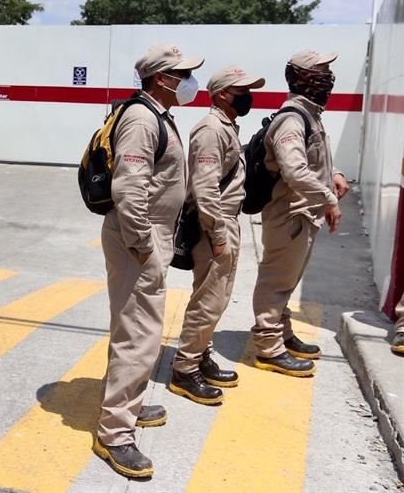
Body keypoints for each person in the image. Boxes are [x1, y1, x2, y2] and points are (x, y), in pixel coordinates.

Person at [93, 44, 202, 479]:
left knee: (133, 328)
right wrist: (143, 244)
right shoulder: (142, 118)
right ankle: (115, 433)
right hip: (139, 236)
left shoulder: (157, 114)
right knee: (139, 334)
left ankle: (127, 403)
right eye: (183, 74)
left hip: (146, 233)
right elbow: (128, 188)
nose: (190, 82)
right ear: (161, 78)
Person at [168, 66, 265, 406]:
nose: (248, 96)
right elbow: (206, 188)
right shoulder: (211, 129)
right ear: (223, 94)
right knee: (208, 301)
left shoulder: (226, 126)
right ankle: (184, 369)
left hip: (224, 221)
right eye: (242, 90)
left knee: (215, 298)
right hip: (215, 225)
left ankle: (200, 354)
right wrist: (219, 234)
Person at [251, 50, 349, 376]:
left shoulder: (310, 115)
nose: (328, 78)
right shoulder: (292, 119)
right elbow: (294, 171)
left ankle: (281, 333)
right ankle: (268, 347)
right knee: (276, 281)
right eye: (321, 72)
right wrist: (328, 199)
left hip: (303, 214)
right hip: (290, 215)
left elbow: (313, 159)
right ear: (302, 78)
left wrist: (334, 174)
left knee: (287, 280)